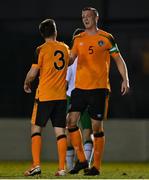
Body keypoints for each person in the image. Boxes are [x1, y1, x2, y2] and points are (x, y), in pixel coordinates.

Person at [67, 7, 130, 176]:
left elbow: (118, 59)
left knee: (96, 128)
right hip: (79, 88)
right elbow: (71, 58)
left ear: (96, 18)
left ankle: (95, 166)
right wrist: (63, 60)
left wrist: (125, 79)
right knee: (71, 122)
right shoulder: (78, 38)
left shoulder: (106, 38)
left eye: (88, 16)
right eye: (83, 17)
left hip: (99, 89)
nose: (85, 19)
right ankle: (81, 160)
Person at [23, 18, 70, 176]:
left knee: (36, 129)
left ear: (42, 34)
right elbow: (69, 61)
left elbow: (33, 73)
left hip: (44, 96)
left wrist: (27, 83)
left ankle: (36, 165)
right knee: (60, 132)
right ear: (55, 31)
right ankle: (62, 168)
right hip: (61, 97)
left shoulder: (40, 49)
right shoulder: (64, 48)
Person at [66, 28, 93, 172]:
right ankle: (86, 164)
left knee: (70, 129)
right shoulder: (92, 56)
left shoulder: (71, 56)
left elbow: (65, 81)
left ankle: (71, 166)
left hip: (72, 96)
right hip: (90, 94)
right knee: (88, 129)